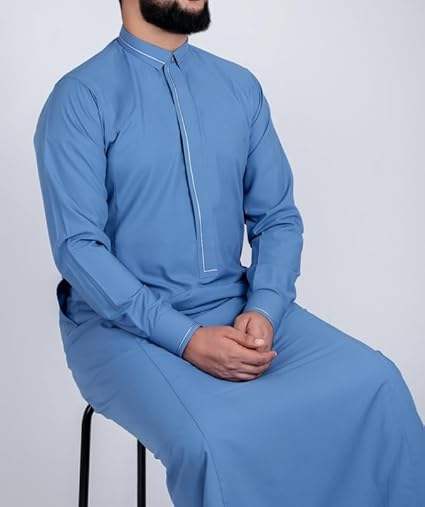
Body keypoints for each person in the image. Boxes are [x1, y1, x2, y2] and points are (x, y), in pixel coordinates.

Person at [33, 1, 425, 505]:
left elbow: (276, 217)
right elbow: (79, 247)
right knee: (213, 440)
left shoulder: (239, 87)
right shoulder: (80, 97)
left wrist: (265, 307)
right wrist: (186, 338)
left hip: (237, 307)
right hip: (118, 329)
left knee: (377, 384)